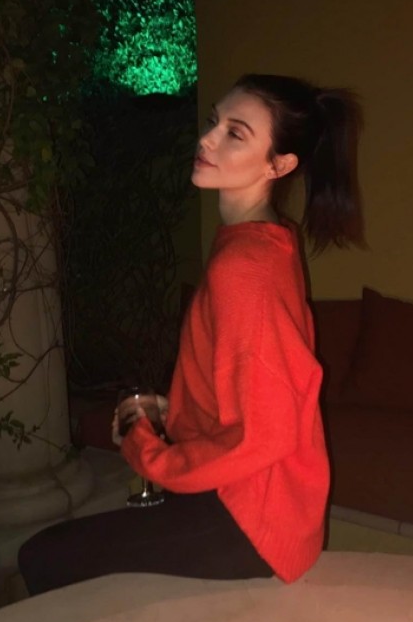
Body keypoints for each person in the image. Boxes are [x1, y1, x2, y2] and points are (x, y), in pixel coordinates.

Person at [18, 73, 364, 595]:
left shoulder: (244, 268)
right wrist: (177, 410)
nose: (207, 139)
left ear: (279, 165)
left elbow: (269, 432)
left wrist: (148, 451)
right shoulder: (267, 239)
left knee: (42, 557)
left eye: (235, 133)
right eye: (213, 122)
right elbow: (257, 379)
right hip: (243, 494)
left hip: (248, 518)